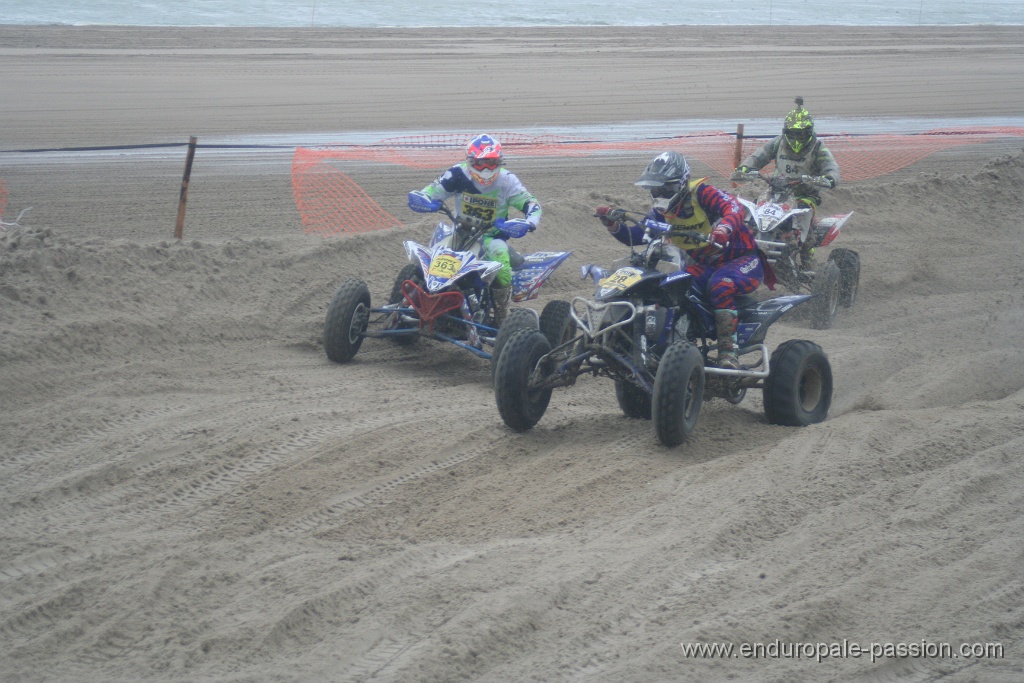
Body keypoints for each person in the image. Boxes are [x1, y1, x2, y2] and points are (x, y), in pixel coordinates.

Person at [596, 151, 769, 370]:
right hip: (705, 266)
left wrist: (724, 227)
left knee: (720, 285)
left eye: (663, 188)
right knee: (670, 284)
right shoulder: (662, 211)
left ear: (679, 184)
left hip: (742, 260)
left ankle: (728, 350)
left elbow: (733, 208)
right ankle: (672, 341)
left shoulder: (702, 193)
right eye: (654, 189)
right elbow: (639, 235)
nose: (658, 193)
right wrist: (613, 225)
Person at [407, 133, 542, 327]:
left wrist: (529, 222)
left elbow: (531, 203)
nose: (486, 168)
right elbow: (432, 190)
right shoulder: (457, 173)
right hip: (458, 231)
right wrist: (423, 199)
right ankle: (415, 299)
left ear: (499, 162)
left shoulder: (507, 180)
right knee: (428, 260)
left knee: (501, 261)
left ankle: (502, 315)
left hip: (490, 237)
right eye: (480, 163)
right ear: (470, 161)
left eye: (491, 162)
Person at [733, 96, 840, 269]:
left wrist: (829, 178)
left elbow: (831, 167)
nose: (797, 137)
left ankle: (807, 256)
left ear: (809, 131)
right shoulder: (778, 143)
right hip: (776, 190)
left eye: (801, 133)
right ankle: (742, 244)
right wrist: (745, 168)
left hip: (805, 194)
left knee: (804, 217)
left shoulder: (818, 148)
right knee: (752, 211)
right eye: (793, 133)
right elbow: (758, 156)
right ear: (786, 131)